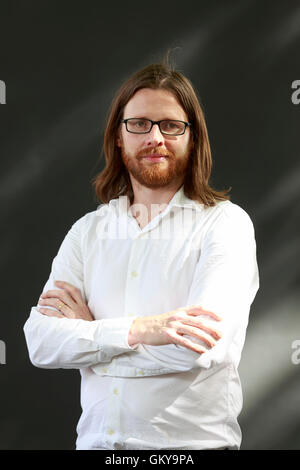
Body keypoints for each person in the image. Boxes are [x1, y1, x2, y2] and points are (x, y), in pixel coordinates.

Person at [23, 62, 259, 450]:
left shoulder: (225, 225)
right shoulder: (88, 232)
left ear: (193, 137)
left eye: (170, 125)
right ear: (118, 136)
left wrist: (93, 343)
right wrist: (142, 330)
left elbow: (199, 351)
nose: (155, 137)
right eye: (139, 124)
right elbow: (41, 343)